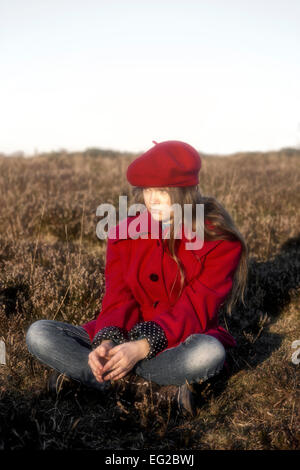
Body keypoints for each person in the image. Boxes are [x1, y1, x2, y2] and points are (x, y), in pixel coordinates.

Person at [25, 140, 248, 417]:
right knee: (40, 333)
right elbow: (118, 297)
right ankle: (150, 388)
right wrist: (106, 343)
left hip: (181, 339)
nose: (151, 199)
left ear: (185, 193)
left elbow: (196, 308)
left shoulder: (219, 241)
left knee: (208, 353)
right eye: (147, 190)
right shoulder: (123, 233)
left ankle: (96, 380)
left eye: (163, 192)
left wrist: (143, 346)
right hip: (125, 334)